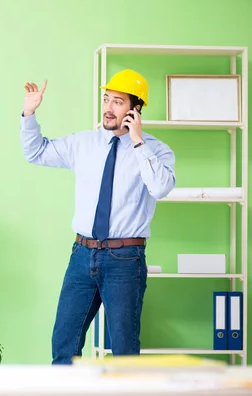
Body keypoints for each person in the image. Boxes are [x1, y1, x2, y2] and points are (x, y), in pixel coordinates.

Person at [20, 69, 176, 364]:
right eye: (106, 99)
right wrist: (29, 114)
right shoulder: (84, 143)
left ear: (135, 109)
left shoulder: (156, 150)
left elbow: (160, 188)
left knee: (124, 352)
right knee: (64, 345)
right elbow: (36, 152)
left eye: (118, 101)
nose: (108, 107)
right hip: (81, 256)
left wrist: (138, 141)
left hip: (125, 260)